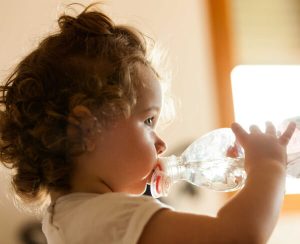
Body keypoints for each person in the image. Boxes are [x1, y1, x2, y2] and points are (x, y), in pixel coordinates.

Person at [0, 4, 296, 244]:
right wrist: (268, 167)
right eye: (148, 120)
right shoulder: (110, 218)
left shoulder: (68, 218)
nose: (161, 143)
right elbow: (238, 235)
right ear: (86, 130)